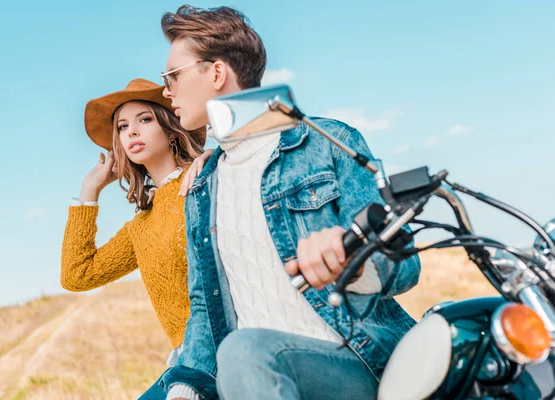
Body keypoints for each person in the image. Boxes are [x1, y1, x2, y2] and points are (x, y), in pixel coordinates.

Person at [155, 6, 421, 400]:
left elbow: (405, 264)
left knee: (244, 351)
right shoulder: (200, 190)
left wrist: (352, 259)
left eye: (173, 76)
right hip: (254, 381)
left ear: (215, 73)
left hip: (358, 365)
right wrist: (185, 387)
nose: (166, 91)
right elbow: (203, 307)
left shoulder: (327, 142)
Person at [60, 78, 212, 399]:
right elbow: (77, 275)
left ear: (172, 130)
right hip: (182, 362)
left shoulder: (204, 176)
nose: (131, 132)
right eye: (122, 126)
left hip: (224, 346)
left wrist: (219, 157)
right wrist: (90, 191)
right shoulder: (140, 226)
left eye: (144, 119)